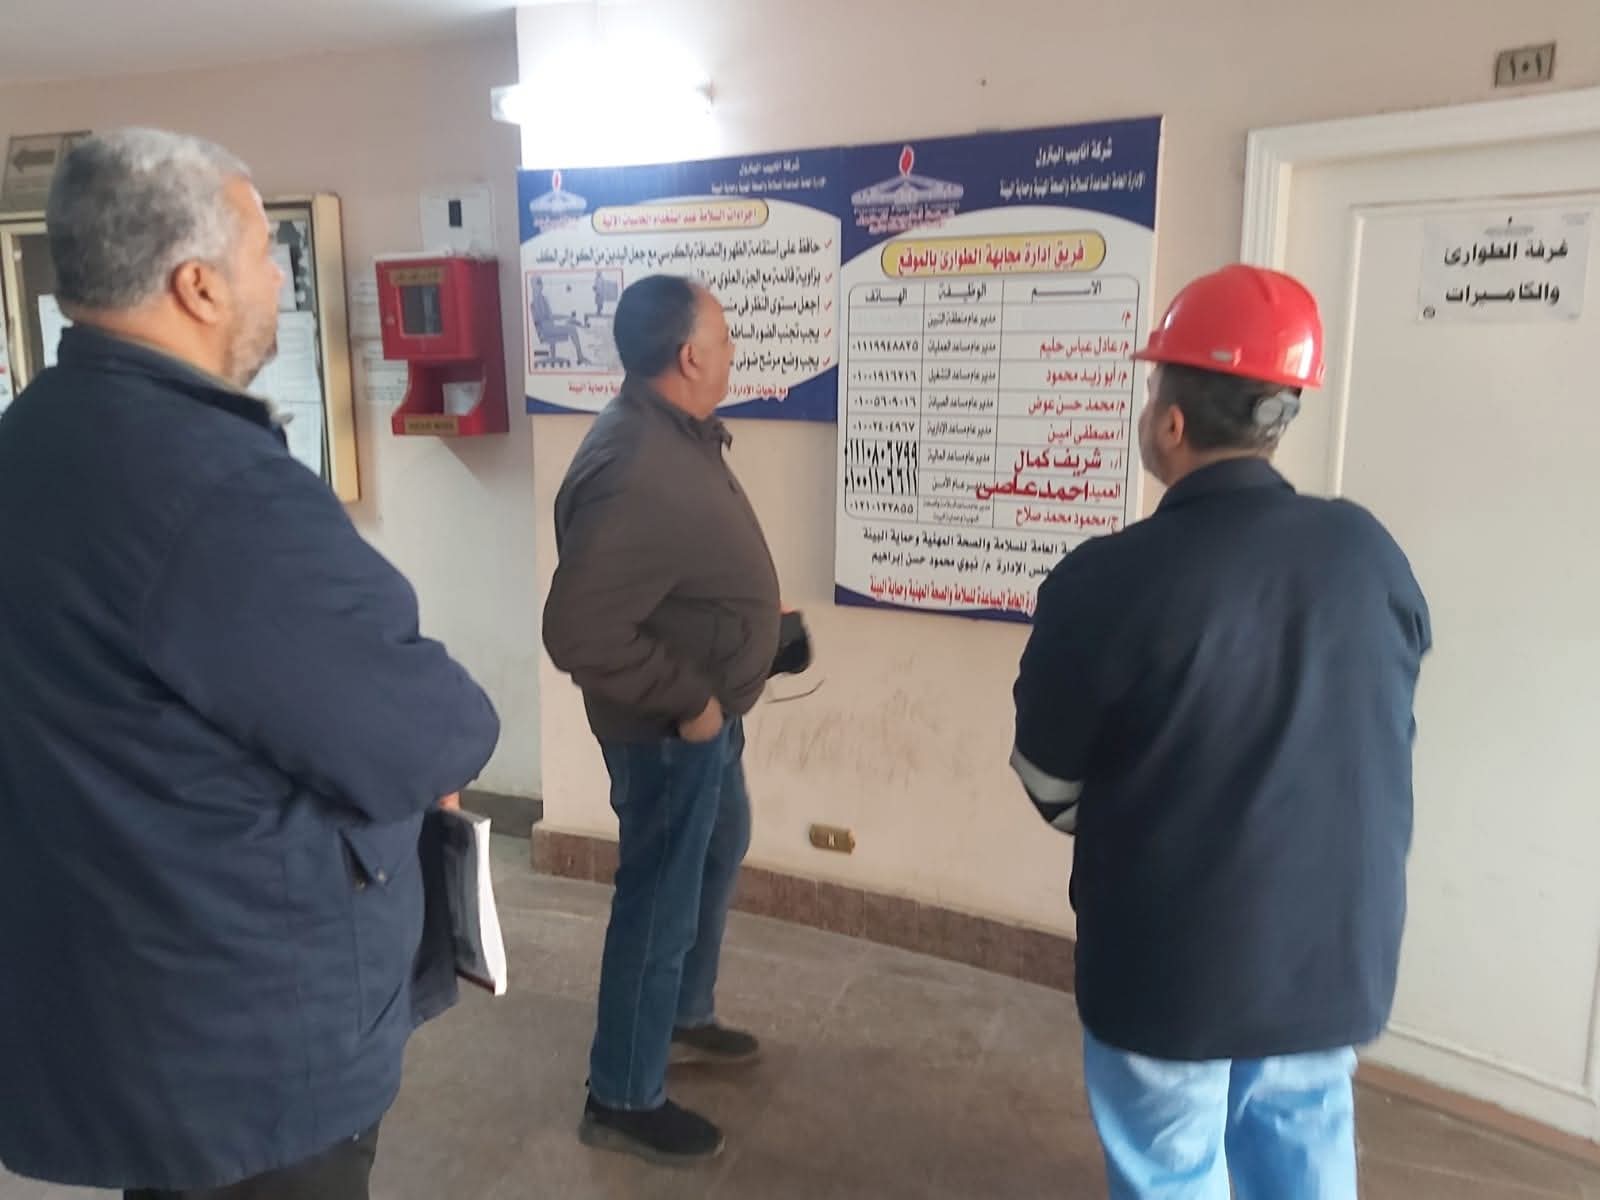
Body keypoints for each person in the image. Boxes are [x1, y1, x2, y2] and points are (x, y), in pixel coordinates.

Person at [0, 128, 501, 1199]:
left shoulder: (29, 441)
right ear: (197, 285)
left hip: (121, 1007)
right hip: (247, 1045)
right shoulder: (212, 491)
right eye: (263, 252)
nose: (277, 277)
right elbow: (423, 732)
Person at [1010, 264, 1432, 1199]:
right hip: (1327, 954)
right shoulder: (1368, 550)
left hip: (1170, 966)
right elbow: (1380, 722)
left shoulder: (1106, 579)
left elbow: (1048, 779)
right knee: (1303, 1156)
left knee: (1171, 1171)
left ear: (1170, 422)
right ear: (1279, 417)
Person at [543, 274, 781, 1166]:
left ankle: (680, 1015)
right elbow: (578, 631)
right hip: (670, 733)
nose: (731, 352)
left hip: (704, 720)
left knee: (717, 846)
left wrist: (757, 632)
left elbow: (671, 576)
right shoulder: (634, 462)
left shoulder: (673, 433)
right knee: (659, 900)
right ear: (688, 356)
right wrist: (693, 700)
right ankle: (622, 1095)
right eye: (723, 338)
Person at [531, 274, 589, 365]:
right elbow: (547, 318)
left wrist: (566, 317)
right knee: (572, 329)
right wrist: (565, 318)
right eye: (538, 283)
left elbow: (550, 317)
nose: (540, 285)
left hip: (549, 327)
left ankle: (580, 355)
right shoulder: (537, 301)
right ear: (533, 286)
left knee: (570, 323)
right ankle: (580, 357)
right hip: (547, 330)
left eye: (540, 282)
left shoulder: (542, 298)